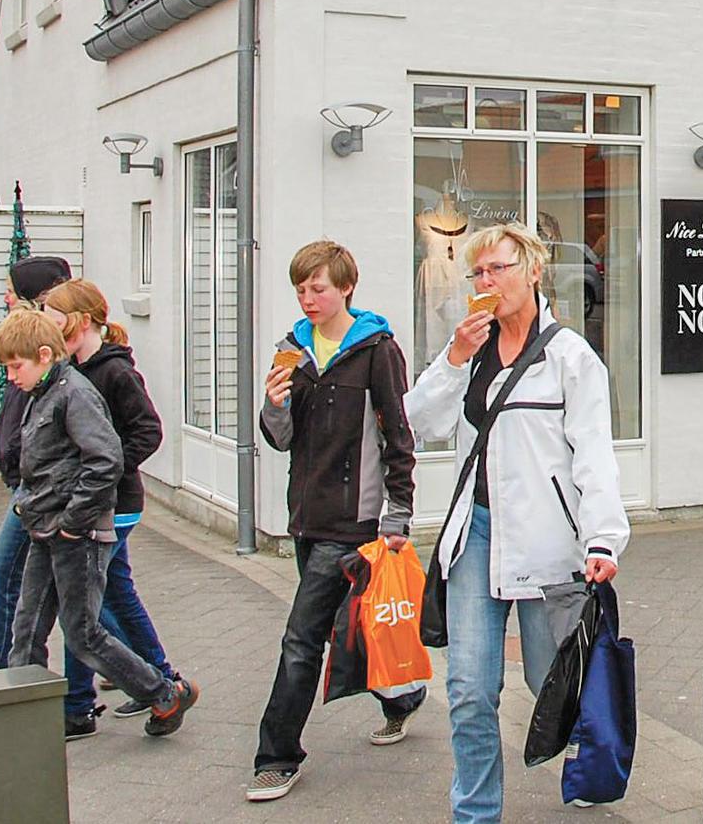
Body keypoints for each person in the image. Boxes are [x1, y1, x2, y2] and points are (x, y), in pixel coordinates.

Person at [407, 222, 630, 824]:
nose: (486, 282)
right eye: (478, 272)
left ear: (533, 271)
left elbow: (594, 456)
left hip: (546, 543)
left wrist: (603, 538)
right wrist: (453, 358)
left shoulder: (570, 357)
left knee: (550, 678)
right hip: (475, 535)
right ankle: (476, 812)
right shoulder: (470, 351)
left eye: (498, 269)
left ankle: (590, 758)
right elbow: (421, 422)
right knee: (468, 690)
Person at [247, 241, 421, 805]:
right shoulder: (291, 350)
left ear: (345, 287)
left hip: (355, 520)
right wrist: (274, 406)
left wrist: (397, 513)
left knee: (301, 638)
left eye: (318, 288)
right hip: (307, 515)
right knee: (351, 626)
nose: (308, 299)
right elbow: (281, 439)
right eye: (300, 289)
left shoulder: (376, 350)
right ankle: (403, 698)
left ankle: (277, 757)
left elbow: (398, 435)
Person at [0, 307, 200, 737]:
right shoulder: (42, 393)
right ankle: (25, 719)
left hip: (77, 535)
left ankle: (164, 692)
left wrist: (73, 521)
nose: (11, 377)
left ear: (44, 355)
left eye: (15, 367)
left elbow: (106, 460)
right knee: (27, 627)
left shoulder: (75, 394)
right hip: (47, 528)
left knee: (83, 633)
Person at [40, 279, 182, 738]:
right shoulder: (72, 370)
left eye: (56, 321)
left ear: (81, 322)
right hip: (95, 503)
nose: (50, 331)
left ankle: (82, 704)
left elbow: (149, 431)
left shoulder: (116, 373)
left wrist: (108, 470)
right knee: (111, 597)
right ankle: (161, 682)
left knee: (84, 607)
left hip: (113, 505)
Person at [0, 255, 72, 672]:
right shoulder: (28, 357)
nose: (5, 299)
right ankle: (154, 679)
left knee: (5, 581)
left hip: (38, 491)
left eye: (11, 292)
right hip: (31, 486)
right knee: (83, 599)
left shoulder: (55, 370)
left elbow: (107, 446)